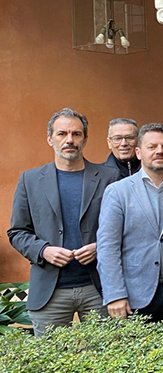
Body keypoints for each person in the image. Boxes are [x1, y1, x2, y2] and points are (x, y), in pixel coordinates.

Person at [8, 107, 120, 336]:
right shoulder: (30, 180)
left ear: (85, 138)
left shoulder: (109, 177)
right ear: (50, 138)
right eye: (62, 134)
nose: (70, 140)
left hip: (99, 288)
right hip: (50, 290)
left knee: (106, 361)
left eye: (76, 134)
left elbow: (125, 227)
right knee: (53, 363)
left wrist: (100, 248)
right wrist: (44, 250)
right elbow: (17, 231)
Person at [96, 122, 163, 325]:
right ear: (138, 152)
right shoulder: (117, 192)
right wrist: (114, 294)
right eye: (152, 146)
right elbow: (108, 247)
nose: (159, 151)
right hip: (133, 296)